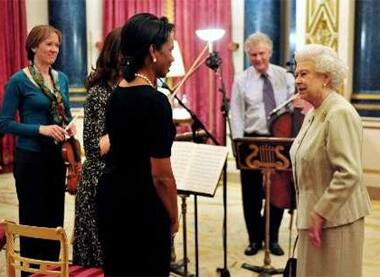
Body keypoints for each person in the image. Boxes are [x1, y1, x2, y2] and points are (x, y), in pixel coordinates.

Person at [96, 13, 178, 276]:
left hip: (111, 199)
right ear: (153, 51)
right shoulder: (155, 101)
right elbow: (161, 176)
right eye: (170, 50)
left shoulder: (117, 92)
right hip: (141, 205)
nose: (173, 58)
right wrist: (174, 217)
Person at [290, 44, 372, 277]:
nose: (297, 80)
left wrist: (320, 212)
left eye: (304, 74)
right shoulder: (314, 112)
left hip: (336, 221)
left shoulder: (339, 112)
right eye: (296, 74)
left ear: (325, 77)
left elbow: (349, 173)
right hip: (314, 218)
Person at [0, 25, 74, 274]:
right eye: (49, 44)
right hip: (30, 159)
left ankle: (51, 272)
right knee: (33, 220)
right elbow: (4, 122)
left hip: (55, 158)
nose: (54, 49)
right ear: (33, 47)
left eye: (57, 45)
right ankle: (31, 273)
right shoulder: (18, 80)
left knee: (54, 221)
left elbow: (66, 116)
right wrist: (40, 129)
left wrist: (69, 128)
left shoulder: (61, 78)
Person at [230, 32, 295, 256]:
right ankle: (255, 240)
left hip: (278, 139)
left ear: (270, 52)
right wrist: (238, 146)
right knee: (251, 195)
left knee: (277, 192)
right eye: (253, 55)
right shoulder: (242, 79)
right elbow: (236, 113)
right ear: (248, 55)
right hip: (251, 139)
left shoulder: (285, 76)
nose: (258, 58)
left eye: (261, 54)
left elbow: (292, 110)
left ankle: (273, 239)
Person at [72, 27, 122, 267]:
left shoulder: (126, 89)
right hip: (98, 183)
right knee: (98, 259)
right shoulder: (100, 93)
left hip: (118, 180)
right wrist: (131, 123)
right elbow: (94, 147)